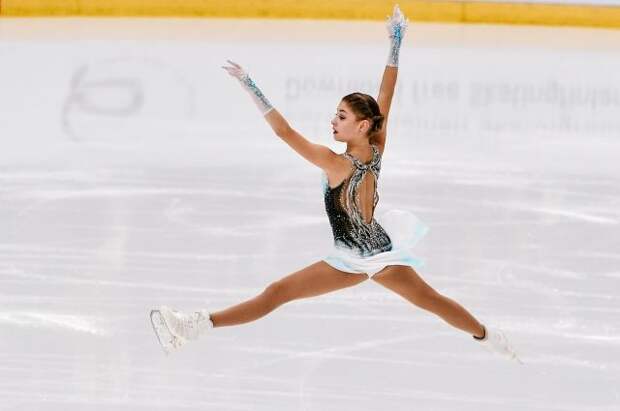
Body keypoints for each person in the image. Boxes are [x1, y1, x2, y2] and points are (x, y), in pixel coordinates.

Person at [150, 4, 521, 364]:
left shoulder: (335, 162)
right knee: (433, 301)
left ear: (362, 124)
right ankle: (490, 338)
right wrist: (395, 42)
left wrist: (250, 85)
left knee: (277, 292)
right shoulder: (376, 147)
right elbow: (386, 95)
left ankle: (193, 325)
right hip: (381, 250)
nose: (333, 121)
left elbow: (285, 132)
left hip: (355, 259)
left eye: (341, 116)